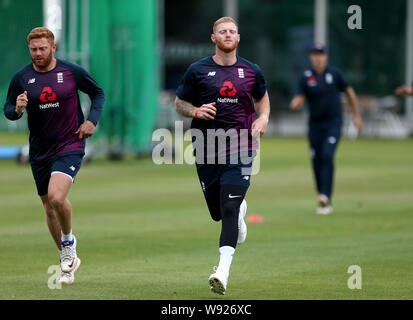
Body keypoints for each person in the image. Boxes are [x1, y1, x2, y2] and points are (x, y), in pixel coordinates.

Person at [175, 17, 270, 295]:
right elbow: (180, 102)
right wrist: (195, 111)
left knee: (227, 208)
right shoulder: (197, 70)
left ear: (238, 38)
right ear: (213, 38)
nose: (227, 35)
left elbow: (262, 98)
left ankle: (222, 272)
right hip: (206, 147)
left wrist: (263, 118)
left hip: (242, 146)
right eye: (222, 32)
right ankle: (240, 210)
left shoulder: (251, 71)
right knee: (220, 213)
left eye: (232, 31)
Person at [3, 27, 104, 285]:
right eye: (33, 49)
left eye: (42, 49)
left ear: (53, 48)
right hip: (39, 150)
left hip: (70, 143)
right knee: (48, 207)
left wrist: (92, 121)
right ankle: (67, 263)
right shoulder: (21, 78)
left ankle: (68, 242)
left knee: (58, 198)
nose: (38, 53)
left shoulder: (70, 71)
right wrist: (17, 109)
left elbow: (97, 92)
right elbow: (8, 110)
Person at [289, 43, 362, 215]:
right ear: (311, 57)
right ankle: (322, 197)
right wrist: (296, 103)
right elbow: (299, 97)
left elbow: (350, 93)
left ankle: (325, 195)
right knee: (316, 161)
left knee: (328, 154)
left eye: (321, 54)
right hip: (315, 126)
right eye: (315, 54)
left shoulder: (335, 74)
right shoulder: (306, 77)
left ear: (326, 57)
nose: (318, 57)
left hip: (333, 124)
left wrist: (357, 116)